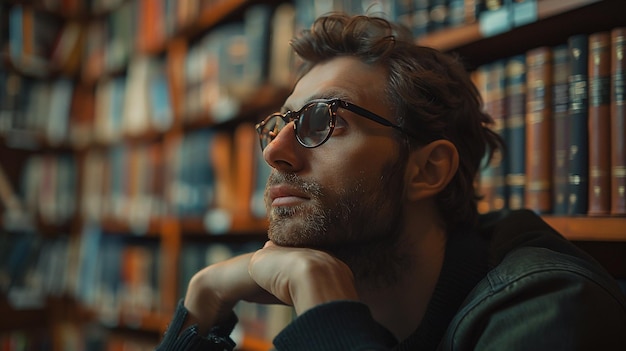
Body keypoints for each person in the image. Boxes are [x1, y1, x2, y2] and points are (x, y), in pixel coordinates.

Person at [156, 13, 626, 351]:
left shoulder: (550, 312)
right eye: (278, 125)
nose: (273, 151)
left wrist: (326, 319)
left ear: (427, 170)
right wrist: (202, 302)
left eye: (325, 120)